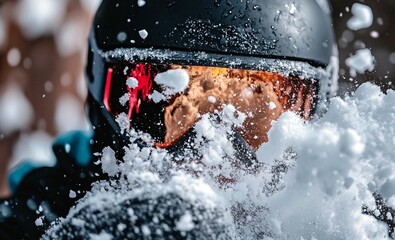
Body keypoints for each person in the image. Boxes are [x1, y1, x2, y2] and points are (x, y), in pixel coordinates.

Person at [0, 0, 337, 239]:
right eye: (161, 106)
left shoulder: (344, 222)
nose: (208, 155)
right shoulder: (39, 215)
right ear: (100, 87)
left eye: (257, 119)